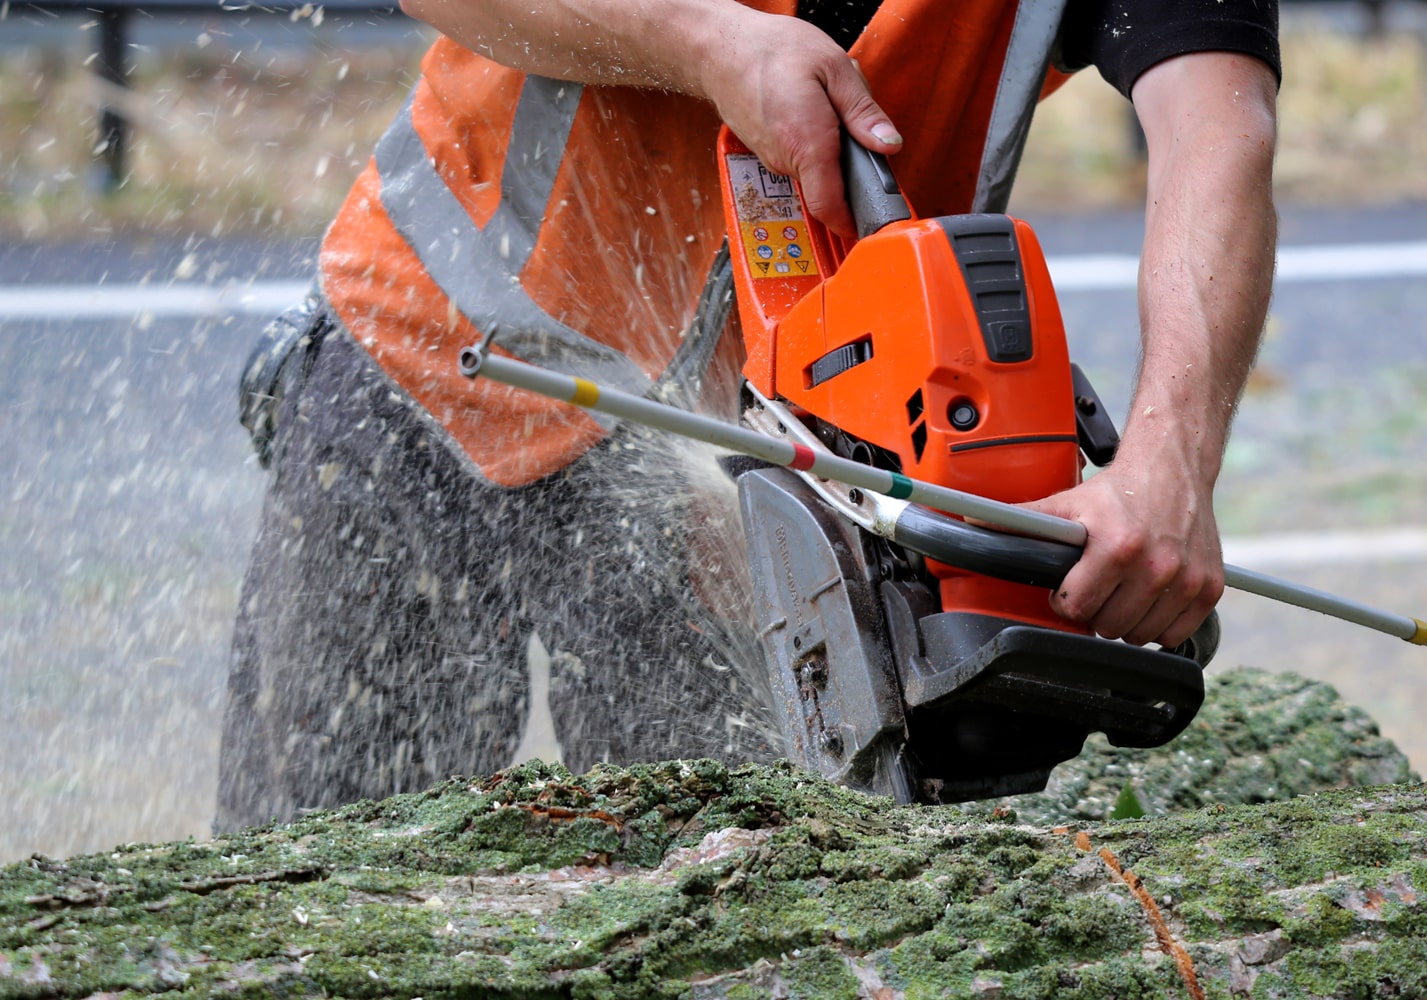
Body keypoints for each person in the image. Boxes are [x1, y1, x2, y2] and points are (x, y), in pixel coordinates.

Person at [216, 0, 1281, 830]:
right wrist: (703, 39)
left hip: (763, 474)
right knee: (313, 887)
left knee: (727, 911)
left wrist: (1170, 461)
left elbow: (1219, 132)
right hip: (429, 362)